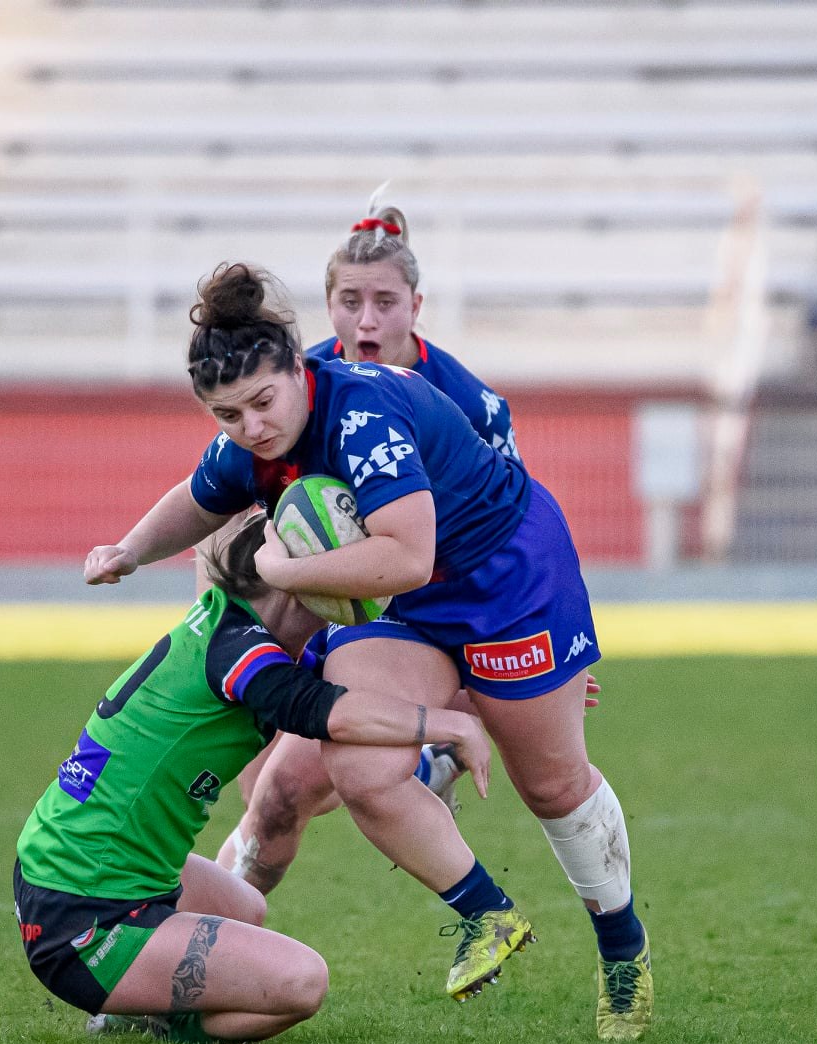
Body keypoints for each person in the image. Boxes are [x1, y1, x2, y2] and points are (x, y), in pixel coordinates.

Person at [84, 262, 653, 1040]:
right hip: (410, 599)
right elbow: (198, 497)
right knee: (352, 753)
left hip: (507, 580)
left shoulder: (360, 414)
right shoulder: (254, 438)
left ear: (297, 367)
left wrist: (282, 569)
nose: (251, 426)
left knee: (551, 786)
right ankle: (487, 914)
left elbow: (409, 554)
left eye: (262, 402)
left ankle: (623, 953)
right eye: (228, 415)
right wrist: (128, 549)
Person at [216, 199, 582, 894]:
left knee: (284, 789)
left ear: (416, 305)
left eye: (384, 301)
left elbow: (513, 543)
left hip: (446, 616)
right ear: (328, 305)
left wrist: (549, 651)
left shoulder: (469, 404)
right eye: (349, 301)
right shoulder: (298, 384)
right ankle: (213, 956)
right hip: (355, 611)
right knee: (267, 789)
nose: (365, 321)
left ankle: (206, 950)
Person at [19, 513, 496, 1044]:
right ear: (303, 584)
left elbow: (369, 694)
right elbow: (327, 712)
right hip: (82, 910)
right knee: (301, 983)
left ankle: (141, 994)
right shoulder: (242, 654)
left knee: (246, 908)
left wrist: (509, 696)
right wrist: (448, 725)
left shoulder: (241, 630)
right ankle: (160, 1016)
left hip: (76, 867)